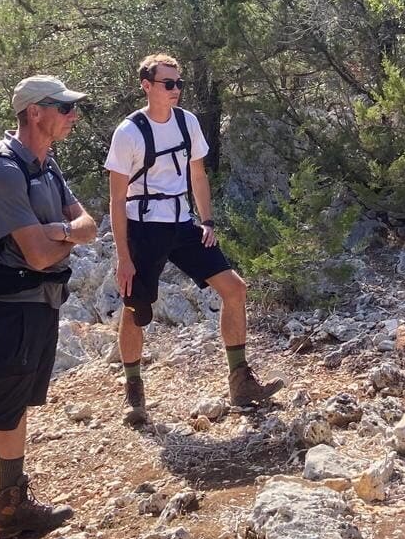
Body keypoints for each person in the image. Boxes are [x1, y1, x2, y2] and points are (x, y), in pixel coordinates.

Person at [0, 75, 98, 539]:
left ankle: (12, 505)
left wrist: (57, 233)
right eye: (64, 107)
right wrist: (62, 236)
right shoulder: (1, 171)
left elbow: (89, 224)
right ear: (35, 112)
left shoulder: (44, 165)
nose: (72, 115)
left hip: (43, 301)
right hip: (14, 305)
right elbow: (37, 253)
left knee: (15, 405)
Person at [105, 53, 282, 427]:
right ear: (147, 86)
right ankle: (133, 391)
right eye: (168, 83)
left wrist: (207, 221)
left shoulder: (188, 123)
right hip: (143, 228)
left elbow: (197, 174)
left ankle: (240, 381)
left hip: (182, 224)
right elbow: (117, 199)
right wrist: (124, 257)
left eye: (179, 83)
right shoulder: (129, 132)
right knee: (137, 306)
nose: (176, 90)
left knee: (234, 289)